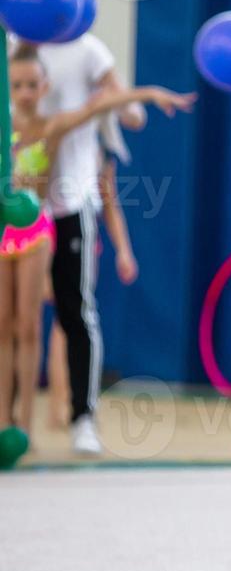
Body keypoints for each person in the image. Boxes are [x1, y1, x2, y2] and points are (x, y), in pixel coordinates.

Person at [0, 42, 194, 439]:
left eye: (31, 85)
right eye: (16, 85)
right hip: (7, 233)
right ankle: (4, 416)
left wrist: (150, 94)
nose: (23, 93)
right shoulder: (7, 128)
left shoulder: (51, 127)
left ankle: (35, 423)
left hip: (39, 230)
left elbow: (100, 105)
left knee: (35, 324)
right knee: (6, 325)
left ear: (44, 86)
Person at [34, 30, 149, 455]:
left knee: (72, 314)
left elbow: (128, 112)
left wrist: (140, 98)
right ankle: (21, 413)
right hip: (24, 210)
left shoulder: (87, 52)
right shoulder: (18, 57)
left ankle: (79, 413)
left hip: (68, 210)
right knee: (20, 321)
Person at [46, 147, 135, 431]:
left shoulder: (98, 153)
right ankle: (56, 404)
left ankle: (70, 402)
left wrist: (124, 250)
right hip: (42, 235)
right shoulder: (54, 133)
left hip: (81, 241)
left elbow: (110, 205)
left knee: (69, 322)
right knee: (28, 324)